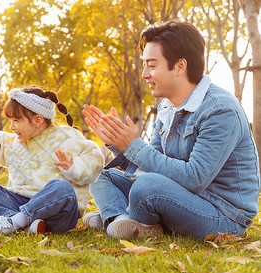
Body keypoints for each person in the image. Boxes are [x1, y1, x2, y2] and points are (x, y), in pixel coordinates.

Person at [82, 21, 260, 239]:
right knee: (98, 173)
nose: (145, 74)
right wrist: (118, 144)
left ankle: (116, 216)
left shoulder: (220, 110)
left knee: (146, 188)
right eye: (144, 65)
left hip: (222, 216)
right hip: (180, 197)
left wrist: (134, 146)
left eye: (152, 65)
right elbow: (153, 164)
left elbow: (194, 178)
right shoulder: (167, 107)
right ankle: (119, 221)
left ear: (179, 66)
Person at [0, 87, 104, 234]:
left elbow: (94, 158)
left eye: (16, 120)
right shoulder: (13, 142)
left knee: (62, 187)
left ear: (38, 120)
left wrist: (74, 166)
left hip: (56, 213)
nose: (11, 126)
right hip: (20, 202)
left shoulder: (67, 136)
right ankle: (22, 222)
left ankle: (17, 221)